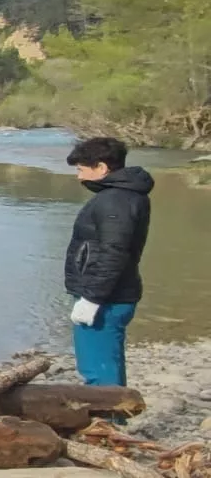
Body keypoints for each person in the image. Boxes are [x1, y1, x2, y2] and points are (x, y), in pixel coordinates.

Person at [64, 137, 153, 387]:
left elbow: (114, 251)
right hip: (112, 295)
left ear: (101, 168)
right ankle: (114, 417)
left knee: (98, 370)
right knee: (106, 363)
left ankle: (109, 421)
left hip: (107, 299)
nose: (79, 176)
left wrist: (92, 298)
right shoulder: (125, 195)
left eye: (81, 169)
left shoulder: (115, 201)